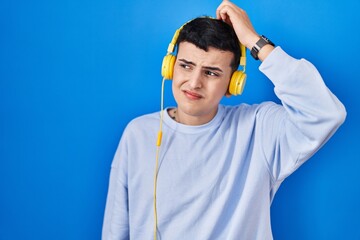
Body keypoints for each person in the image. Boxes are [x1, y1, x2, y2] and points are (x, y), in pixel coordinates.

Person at [102, 0, 346, 239]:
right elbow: (115, 229)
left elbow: (325, 112)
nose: (194, 82)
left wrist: (254, 41)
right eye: (186, 66)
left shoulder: (259, 128)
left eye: (211, 72)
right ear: (170, 67)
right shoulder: (138, 133)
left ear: (233, 84)